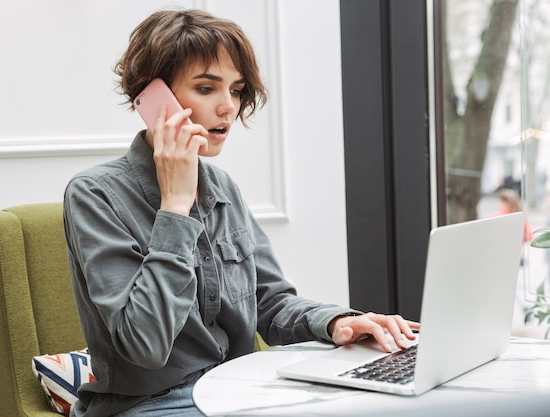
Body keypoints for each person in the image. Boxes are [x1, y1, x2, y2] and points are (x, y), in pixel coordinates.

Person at [63, 9, 419, 417]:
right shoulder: (94, 194)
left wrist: (336, 323)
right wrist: (176, 207)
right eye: (206, 88)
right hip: (151, 404)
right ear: (153, 97)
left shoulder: (223, 187)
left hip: (239, 390)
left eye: (235, 90)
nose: (227, 107)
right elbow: (145, 345)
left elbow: (270, 303)